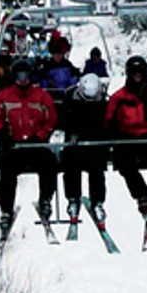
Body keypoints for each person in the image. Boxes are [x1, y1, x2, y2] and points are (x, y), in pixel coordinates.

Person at [105, 55, 147, 246]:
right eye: (134, 73)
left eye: (140, 73)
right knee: (123, 162)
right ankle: (142, 195)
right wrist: (116, 133)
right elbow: (109, 119)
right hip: (128, 138)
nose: (137, 77)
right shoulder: (120, 96)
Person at [0, 61, 58, 242]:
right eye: (19, 76)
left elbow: (51, 119)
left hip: (35, 145)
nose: (23, 80)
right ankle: (6, 209)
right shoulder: (5, 96)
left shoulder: (41, 96)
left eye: (26, 76)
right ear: (14, 77)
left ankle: (45, 200)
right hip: (15, 145)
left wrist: (41, 136)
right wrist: (2, 134)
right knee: (7, 170)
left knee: (49, 163)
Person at [57, 68, 108, 233]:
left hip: (93, 142)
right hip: (76, 143)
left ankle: (98, 201)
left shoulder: (102, 102)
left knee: (97, 168)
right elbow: (64, 119)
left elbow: (106, 122)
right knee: (71, 165)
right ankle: (73, 199)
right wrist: (72, 133)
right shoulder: (70, 99)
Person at [39, 33, 79, 98]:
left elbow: (75, 75)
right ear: (52, 54)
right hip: (51, 94)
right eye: (55, 54)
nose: (57, 56)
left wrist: (72, 82)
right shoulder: (47, 66)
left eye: (60, 54)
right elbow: (42, 79)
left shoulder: (67, 65)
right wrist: (47, 83)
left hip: (67, 94)